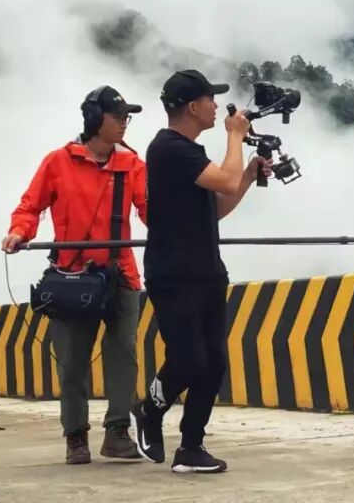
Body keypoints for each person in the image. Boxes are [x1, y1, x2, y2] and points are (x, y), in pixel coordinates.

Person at [129, 69, 272, 473]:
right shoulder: (168, 148)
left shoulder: (188, 153)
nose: (216, 106)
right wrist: (235, 137)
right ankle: (149, 409)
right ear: (193, 107)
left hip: (207, 269)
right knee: (189, 358)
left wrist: (248, 175)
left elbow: (218, 207)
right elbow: (224, 181)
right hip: (173, 273)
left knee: (213, 363)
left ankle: (191, 447)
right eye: (211, 99)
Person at [1, 85, 149, 464]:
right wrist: (19, 232)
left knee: (124, 355)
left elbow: (152, 212)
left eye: (127, 118)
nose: (124, 124)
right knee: (72, 362)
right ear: (95, 119)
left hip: (120, 276)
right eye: (118, 117)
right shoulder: (58, 162)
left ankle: (118, 432)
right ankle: (75, 436)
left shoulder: (132, 165)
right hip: (72, 278)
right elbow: (29, 207)